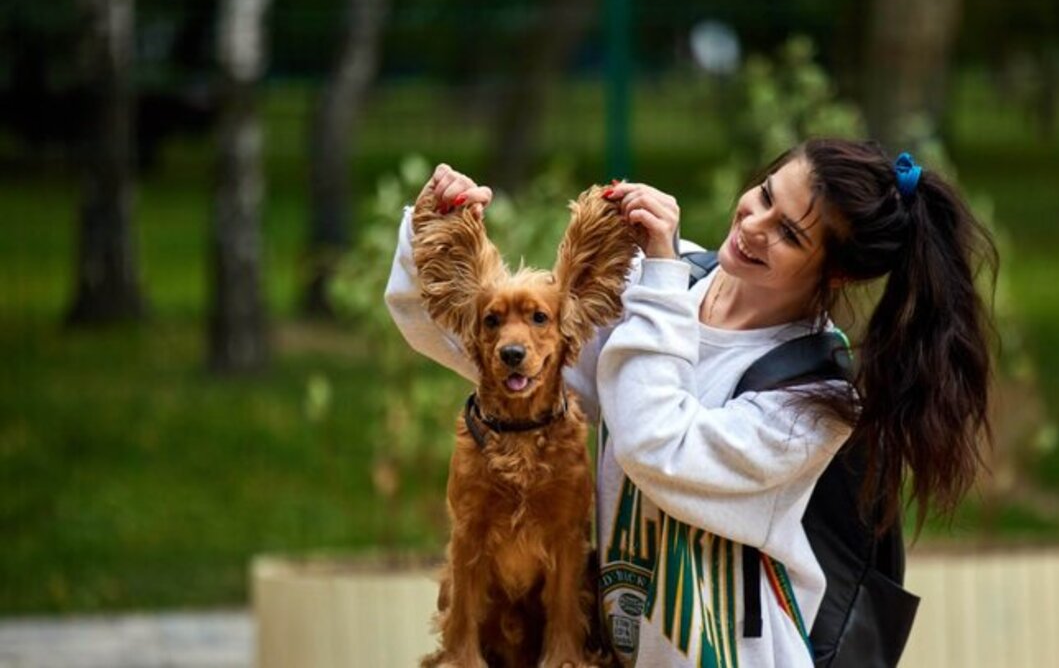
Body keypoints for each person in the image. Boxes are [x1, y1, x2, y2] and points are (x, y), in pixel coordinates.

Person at [385, 138, 994, 668]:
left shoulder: (814, 400)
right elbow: (491, 349)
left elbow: (658, 445)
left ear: (835, 274)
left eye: (788, 232)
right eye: (764, 193)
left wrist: (663, 277)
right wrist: (440, 232)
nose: (754, 224)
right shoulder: (671, 288)